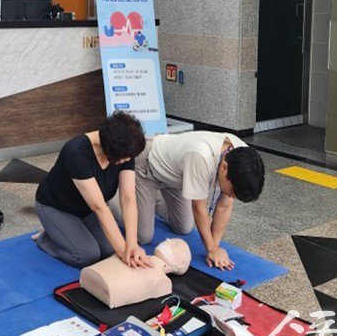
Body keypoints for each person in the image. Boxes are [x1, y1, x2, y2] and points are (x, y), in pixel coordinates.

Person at [132, 131, 265, 271]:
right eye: (231, 191)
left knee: (184, 227)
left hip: (178, 178)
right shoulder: (201, 156)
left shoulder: (243, 156)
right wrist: (212, 248)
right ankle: (122, 197)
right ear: (224, 167)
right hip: (149, 166)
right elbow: (198, 208)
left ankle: (150, 200)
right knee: (144, 236)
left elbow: (224, 206)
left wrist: (215, 247)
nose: (231, 196)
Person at [34, 111, 150, 268]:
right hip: (55, 206)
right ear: (108, 149)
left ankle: (63, 232)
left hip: (85, 209)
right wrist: (125, 254)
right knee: (87, 255)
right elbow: (99, 207)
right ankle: (47, 238)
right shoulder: (76, 152)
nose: (128, 161)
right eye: (123, 159)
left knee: (108, 250)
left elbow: (128, 198)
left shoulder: (126, 148)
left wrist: (132, 244)